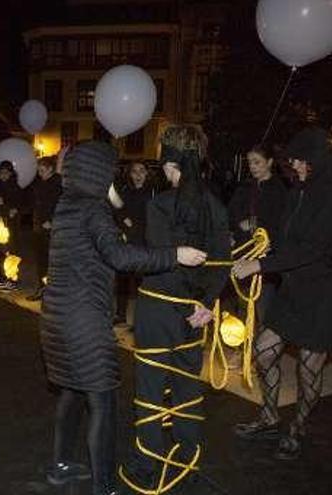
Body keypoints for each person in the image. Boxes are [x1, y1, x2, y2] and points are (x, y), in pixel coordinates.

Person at [40, 140, 207, 495]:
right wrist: (174, 254)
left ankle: (60, 465)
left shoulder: (67, 204)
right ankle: (104, 485)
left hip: (57, 316)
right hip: (83, 320)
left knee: (71, 391)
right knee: (103, 399)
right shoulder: (93, 208)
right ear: (98, 172)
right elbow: (120, 257)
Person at [231, 127, 332, 461]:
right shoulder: (298, 191)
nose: (296, 167)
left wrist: (261, 266)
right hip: (296, 287)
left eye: (302, 161)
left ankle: (298, 427)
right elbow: (283, 239)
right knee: (263, 351)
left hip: (326, 292)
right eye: (294, 161)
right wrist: (251, 247)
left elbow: (314, 248)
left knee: (308, 366)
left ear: (317, 160)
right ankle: (270, 415)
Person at [119, 128, 230, 495]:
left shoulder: (159, 205)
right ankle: (186, 460)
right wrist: (206, 302)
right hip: (194, 314)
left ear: (170, 161)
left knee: (150, 391)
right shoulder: (215, 205)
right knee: (186, 388)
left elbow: (160, 260)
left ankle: (149, 465)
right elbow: (220, 262)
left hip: (158, 310)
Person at [228, 144, 287, 323]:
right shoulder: (244, 188)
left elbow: (281, 222)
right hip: (242, 251)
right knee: (243, 302)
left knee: (264, 306)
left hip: (265, 257)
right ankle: (245, 343)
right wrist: (232, 231)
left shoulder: (279, 190)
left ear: (269, 162)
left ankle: (264, 347)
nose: (252, 166)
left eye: (257, 162)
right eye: (250, 163)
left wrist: (255, 224)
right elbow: (231, 214)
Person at [114, 162, 155, 324]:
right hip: (126, 243)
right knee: (122, 281)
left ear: (147, 174)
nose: (138, 174)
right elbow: (117, 209)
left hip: (143, 244)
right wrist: (123, 219)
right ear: (130, 174)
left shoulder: (152, 193)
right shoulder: (125, 191)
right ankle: (120, 314)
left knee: (141, 284)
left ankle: (141, 320)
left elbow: (155, 217)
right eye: (134, 171)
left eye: (141, 171)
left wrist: (138, 225)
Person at [27, 156, 62, 301]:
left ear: (50, 169)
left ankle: (53, 292)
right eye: (38, 170)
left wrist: (52, 221)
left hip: (51, 230)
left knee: (51, 262)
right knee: (40, 260)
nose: (39, 173)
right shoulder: (39, 183)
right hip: (38, 227)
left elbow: (61, 205)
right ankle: (42, 288)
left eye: (42, 170)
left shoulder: (58, 184)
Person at [0, 160, 24, 291]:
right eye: (1, 173)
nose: (3, 176)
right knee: (0, 251)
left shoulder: (15, 188)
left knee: (10, 251)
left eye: (6, 173)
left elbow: (18, 207)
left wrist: (5, 204)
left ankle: (12, 280)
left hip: (10, 226)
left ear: (11, 174)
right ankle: (3, 277)